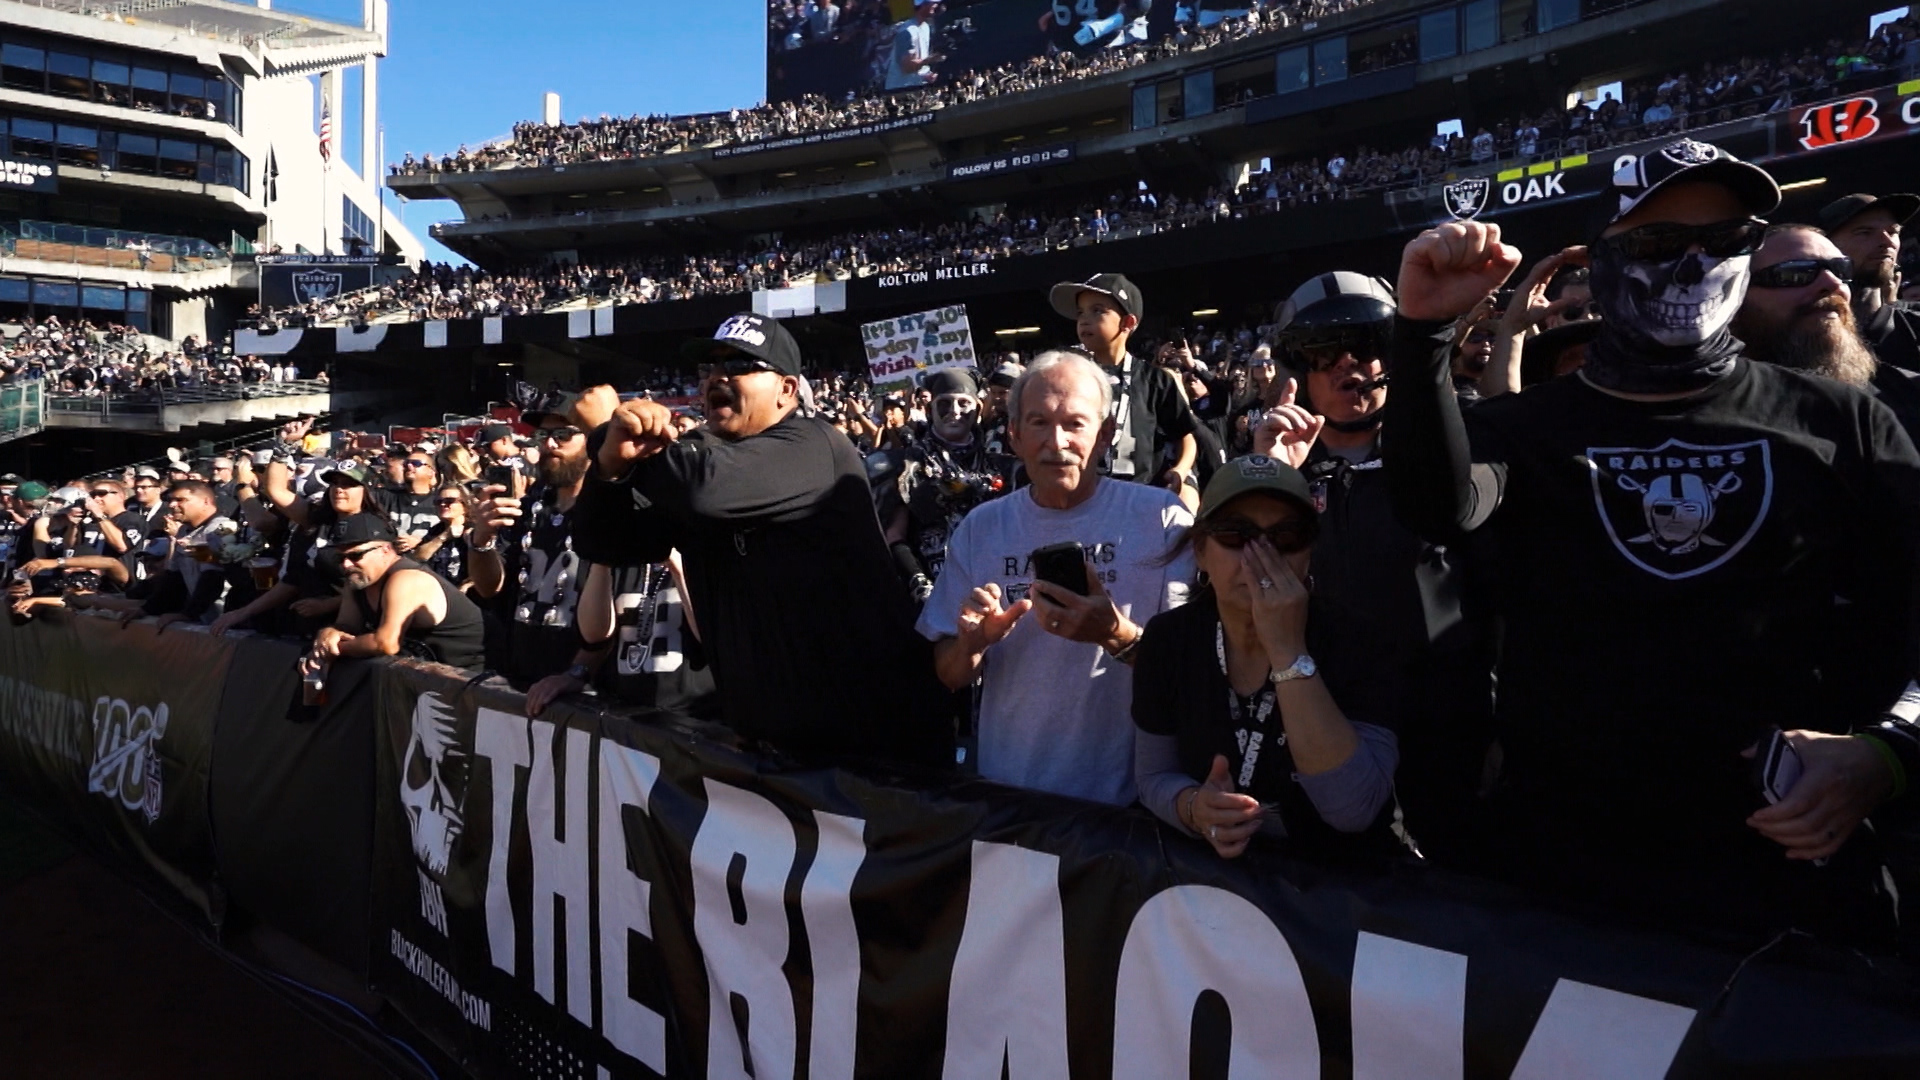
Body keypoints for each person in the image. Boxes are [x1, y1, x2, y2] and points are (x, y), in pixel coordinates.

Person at [1383, 138, 1920, 949]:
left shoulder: (1836, 419)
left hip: (1790, 883)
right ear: (1601, 259)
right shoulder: (1524, 431)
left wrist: (1889, 753)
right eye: (1660, 245)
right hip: (1570, 884)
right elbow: (1438, 503)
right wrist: (1423, 333)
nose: (1695, 264)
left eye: (1729, 241)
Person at [571, 312, 954, 766]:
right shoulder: (707, 464)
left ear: (787, 390)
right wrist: (610, 469)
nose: (718, 377)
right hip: (775, 753)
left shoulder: (815, 446)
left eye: (739, 365)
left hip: (877, 754)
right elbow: (603, 543)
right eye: (710, 367)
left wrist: (607, 434)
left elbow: (704, 487)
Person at [1266, 270, 1497, 860]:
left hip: (1448, 720)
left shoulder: (1459, 439)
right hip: (1333, 717)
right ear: (1298, 370)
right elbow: (1242, 591)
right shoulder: (1283, 464)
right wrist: (1271, 483)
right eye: (1323, 351)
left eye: (1368, 345)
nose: (1350, 365)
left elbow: (1473, 520)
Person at [919, 351, 1194, 805]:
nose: (1057, 441)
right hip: (1010, 797)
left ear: (1104, 435)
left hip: (1128, 806)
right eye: (1039, 422)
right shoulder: (982, 528)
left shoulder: (1160, 518)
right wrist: (973, 643)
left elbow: (1192, 672)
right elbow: (948, 674)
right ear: (1014, 434)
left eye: (1075, 424)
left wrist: (1116, 635)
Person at [1134, 455, 1407, 859]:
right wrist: (1192, 806)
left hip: (1338, 886)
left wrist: (1287, 651)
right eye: (1235, 533)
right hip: (1211, 887)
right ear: (1201, 551)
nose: (1259, 555)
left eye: (1286, 536)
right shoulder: (1170, 638)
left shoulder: (1358, 640)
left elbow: (1354, 809)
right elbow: (1153, 775)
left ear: (1308, 552)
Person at [1731, 223, 1920, 440]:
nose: (1832, 283)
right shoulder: (1704, 417)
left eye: (1841, 270)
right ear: (1737, 297)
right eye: (1795, 272)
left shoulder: (1907, 394)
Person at [1048, 274, 1201, 511]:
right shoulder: (1070, 378)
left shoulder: (1155, 380)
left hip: (1141, 497)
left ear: (1127, 323)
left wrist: (1181, 470)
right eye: (1080, 312)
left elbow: (1185, 436)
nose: (1084, 320)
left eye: (1097, 310)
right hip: (1085, 498)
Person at [879, 367, 1013, 602]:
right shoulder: (906, 464)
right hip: (934, 587)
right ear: (930, 410)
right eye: (945, 403)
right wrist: (918, 581)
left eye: (963, 403)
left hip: (993, 585)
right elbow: (894, 535)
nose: (954, 411)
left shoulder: (1000, 465)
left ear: (978, 409)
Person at [303, 515, 486, 675]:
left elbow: (387, 643)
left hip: (473, 679)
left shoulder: (406, 579)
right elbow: (347, 625)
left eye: (356, 555)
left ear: (385, 550)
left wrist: (334, 649)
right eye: (340, 558)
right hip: (425, 678)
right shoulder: (358, 580)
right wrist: (328, 633)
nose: (346, 564)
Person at [1819, 193, 1920, 372]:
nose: (1887, 242)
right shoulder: (1801, 338)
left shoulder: (1914, 329)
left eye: (1893, 232)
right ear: (1825, 244)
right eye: (1865, 232)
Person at [886, 0, 943, 91]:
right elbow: (907, 67)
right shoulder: (906, 32)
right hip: (900, 90)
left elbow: (918, 67)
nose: (935, 5)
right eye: (931, 3)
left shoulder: (925, 27)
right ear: (922, 5)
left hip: (917, 86)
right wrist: (929, 60)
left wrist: (926, 75)